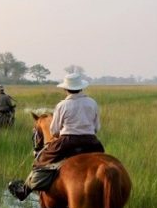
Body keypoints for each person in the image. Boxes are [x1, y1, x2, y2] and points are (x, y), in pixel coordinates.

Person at [8, 72, 104, 200]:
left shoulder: (62, 105)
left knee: (40, 161)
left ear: (65, 89)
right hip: (92, 142)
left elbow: (54, 131)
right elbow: (97, 127)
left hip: (67, 141)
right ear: (81, 87)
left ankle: (24, 191)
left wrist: (63, 132)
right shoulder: (92, 102)